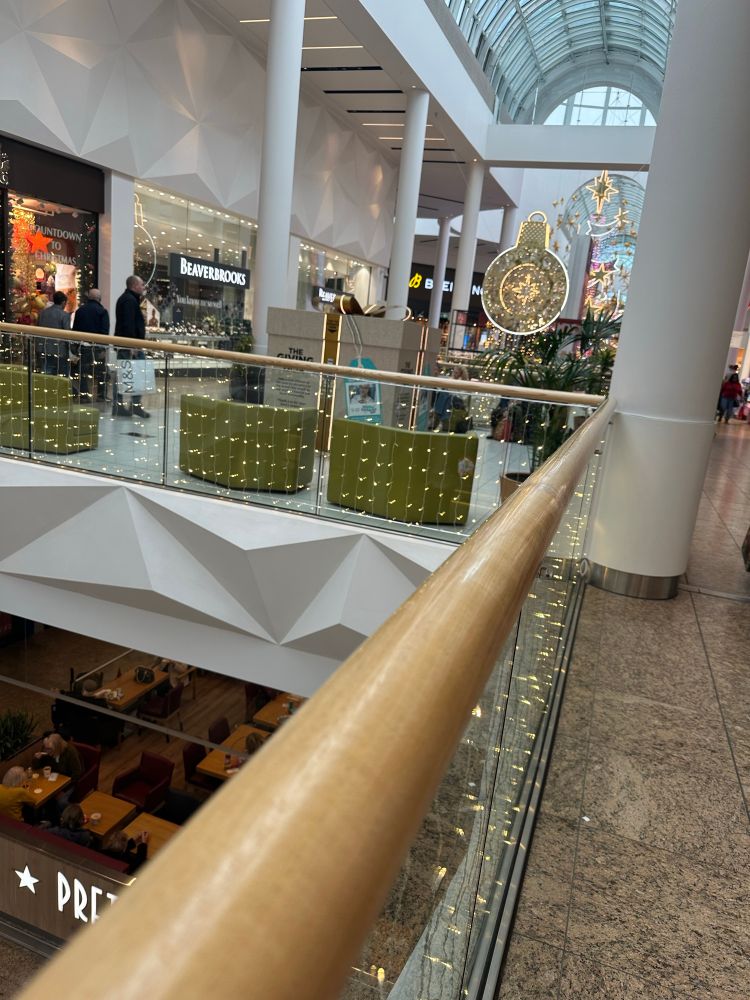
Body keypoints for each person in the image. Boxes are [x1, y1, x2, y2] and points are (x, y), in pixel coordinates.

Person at [114, 275, 150, 418]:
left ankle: (120, 406)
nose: (143, 287)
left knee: (124, 375)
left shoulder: (128, 299)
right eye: (142, 284)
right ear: (135, 285)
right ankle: (133, 405)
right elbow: (128, 324)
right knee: (136, 375)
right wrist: (133, 345)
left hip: (128, 345)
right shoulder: (129, 300)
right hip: (130, 346)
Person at [72, 288, 110, 402]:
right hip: (98, 346)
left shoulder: (80, 311)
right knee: (101, 371)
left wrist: (76, 346)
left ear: (89, 297)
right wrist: (103, 347)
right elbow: (104, 331)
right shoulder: (102, 311)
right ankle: (100, 395)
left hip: (84, 345)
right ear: (99, 298)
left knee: (83, 371)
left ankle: (84, 395)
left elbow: (76, 330)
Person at [38, 291, 73, 377]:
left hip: (44, 347)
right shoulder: (64, 315)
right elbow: (67, 333)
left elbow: (37, 328)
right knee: (60, 374)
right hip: (59, 349)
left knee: (46, 374)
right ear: (63, 302)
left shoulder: (43, 313)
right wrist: (71, 349)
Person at [432, 364, 470, 432]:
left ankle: (438, 416)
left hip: (457, 401)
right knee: (443, 395)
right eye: (453, 372)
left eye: (456, 372)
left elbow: (463, 396)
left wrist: (451, 393)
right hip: (448, 399)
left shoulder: (463, 382)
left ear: (461, 374)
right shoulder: (450, 379)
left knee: (445, 396)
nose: (454, 374)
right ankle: (439, 418)